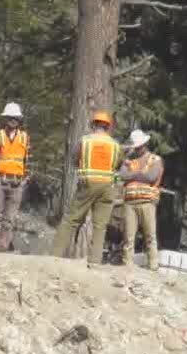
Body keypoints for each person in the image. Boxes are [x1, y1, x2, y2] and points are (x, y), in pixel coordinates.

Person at [49, 110, 122, 264]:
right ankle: (95, 262)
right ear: (108, 127)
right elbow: (117, 165)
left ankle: (54, 256)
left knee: (70, 219)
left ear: (93, 124)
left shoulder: (85, 141)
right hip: (108, 186)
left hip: (88, 184)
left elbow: (75, 159)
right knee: (100, 226)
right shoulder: (115, 145)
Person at [0, 102, 30, 253]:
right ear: (6, 118)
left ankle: (3, 250)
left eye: (15, 118)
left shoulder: (24, 138)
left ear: (19, 119)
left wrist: (25, 181)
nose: (13, 120)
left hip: (17, 183)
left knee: (9, 220)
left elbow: (31, 161)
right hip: (0, 181)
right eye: (10, 117)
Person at [117, 129, 165, 271]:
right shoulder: (129, 161)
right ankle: (127, 265)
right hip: (129, 203)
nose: (138, 149)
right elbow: (122, 176)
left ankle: (153, 265)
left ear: (145, 145)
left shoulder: (155, 160)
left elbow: (151, 177)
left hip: (147, 202)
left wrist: (132, 174)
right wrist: (139, 174)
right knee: (128, 237)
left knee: (150, 236)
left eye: (139, 146)